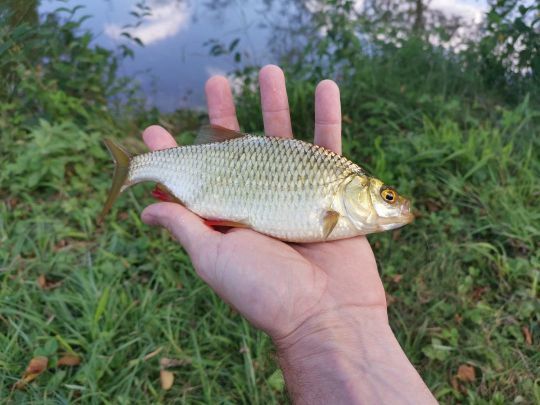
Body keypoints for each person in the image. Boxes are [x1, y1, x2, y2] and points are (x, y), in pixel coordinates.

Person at [140, 65, 437, 404]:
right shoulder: (339, 189)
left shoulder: (339, 196)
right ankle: (136, 167)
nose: (396, 204)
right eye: (388, 197)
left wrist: (327, 322)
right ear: (354, 190)